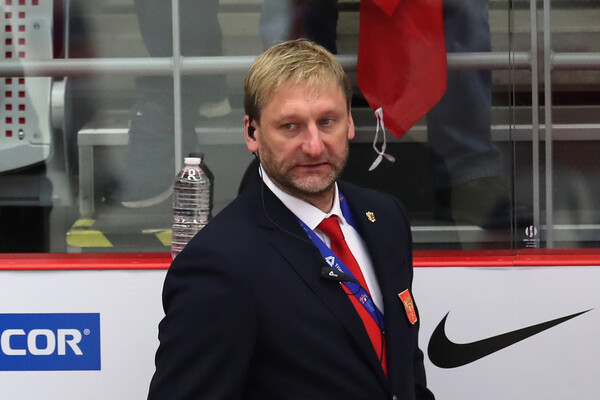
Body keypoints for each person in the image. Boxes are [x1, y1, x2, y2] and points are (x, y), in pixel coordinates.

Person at [147, 39, 434, 400]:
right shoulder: (219, 262)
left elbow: (405, 369)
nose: (313, 146)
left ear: (349, 122)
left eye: (326, 121)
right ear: (252, 133)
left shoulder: (386, 217)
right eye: (290, 126)